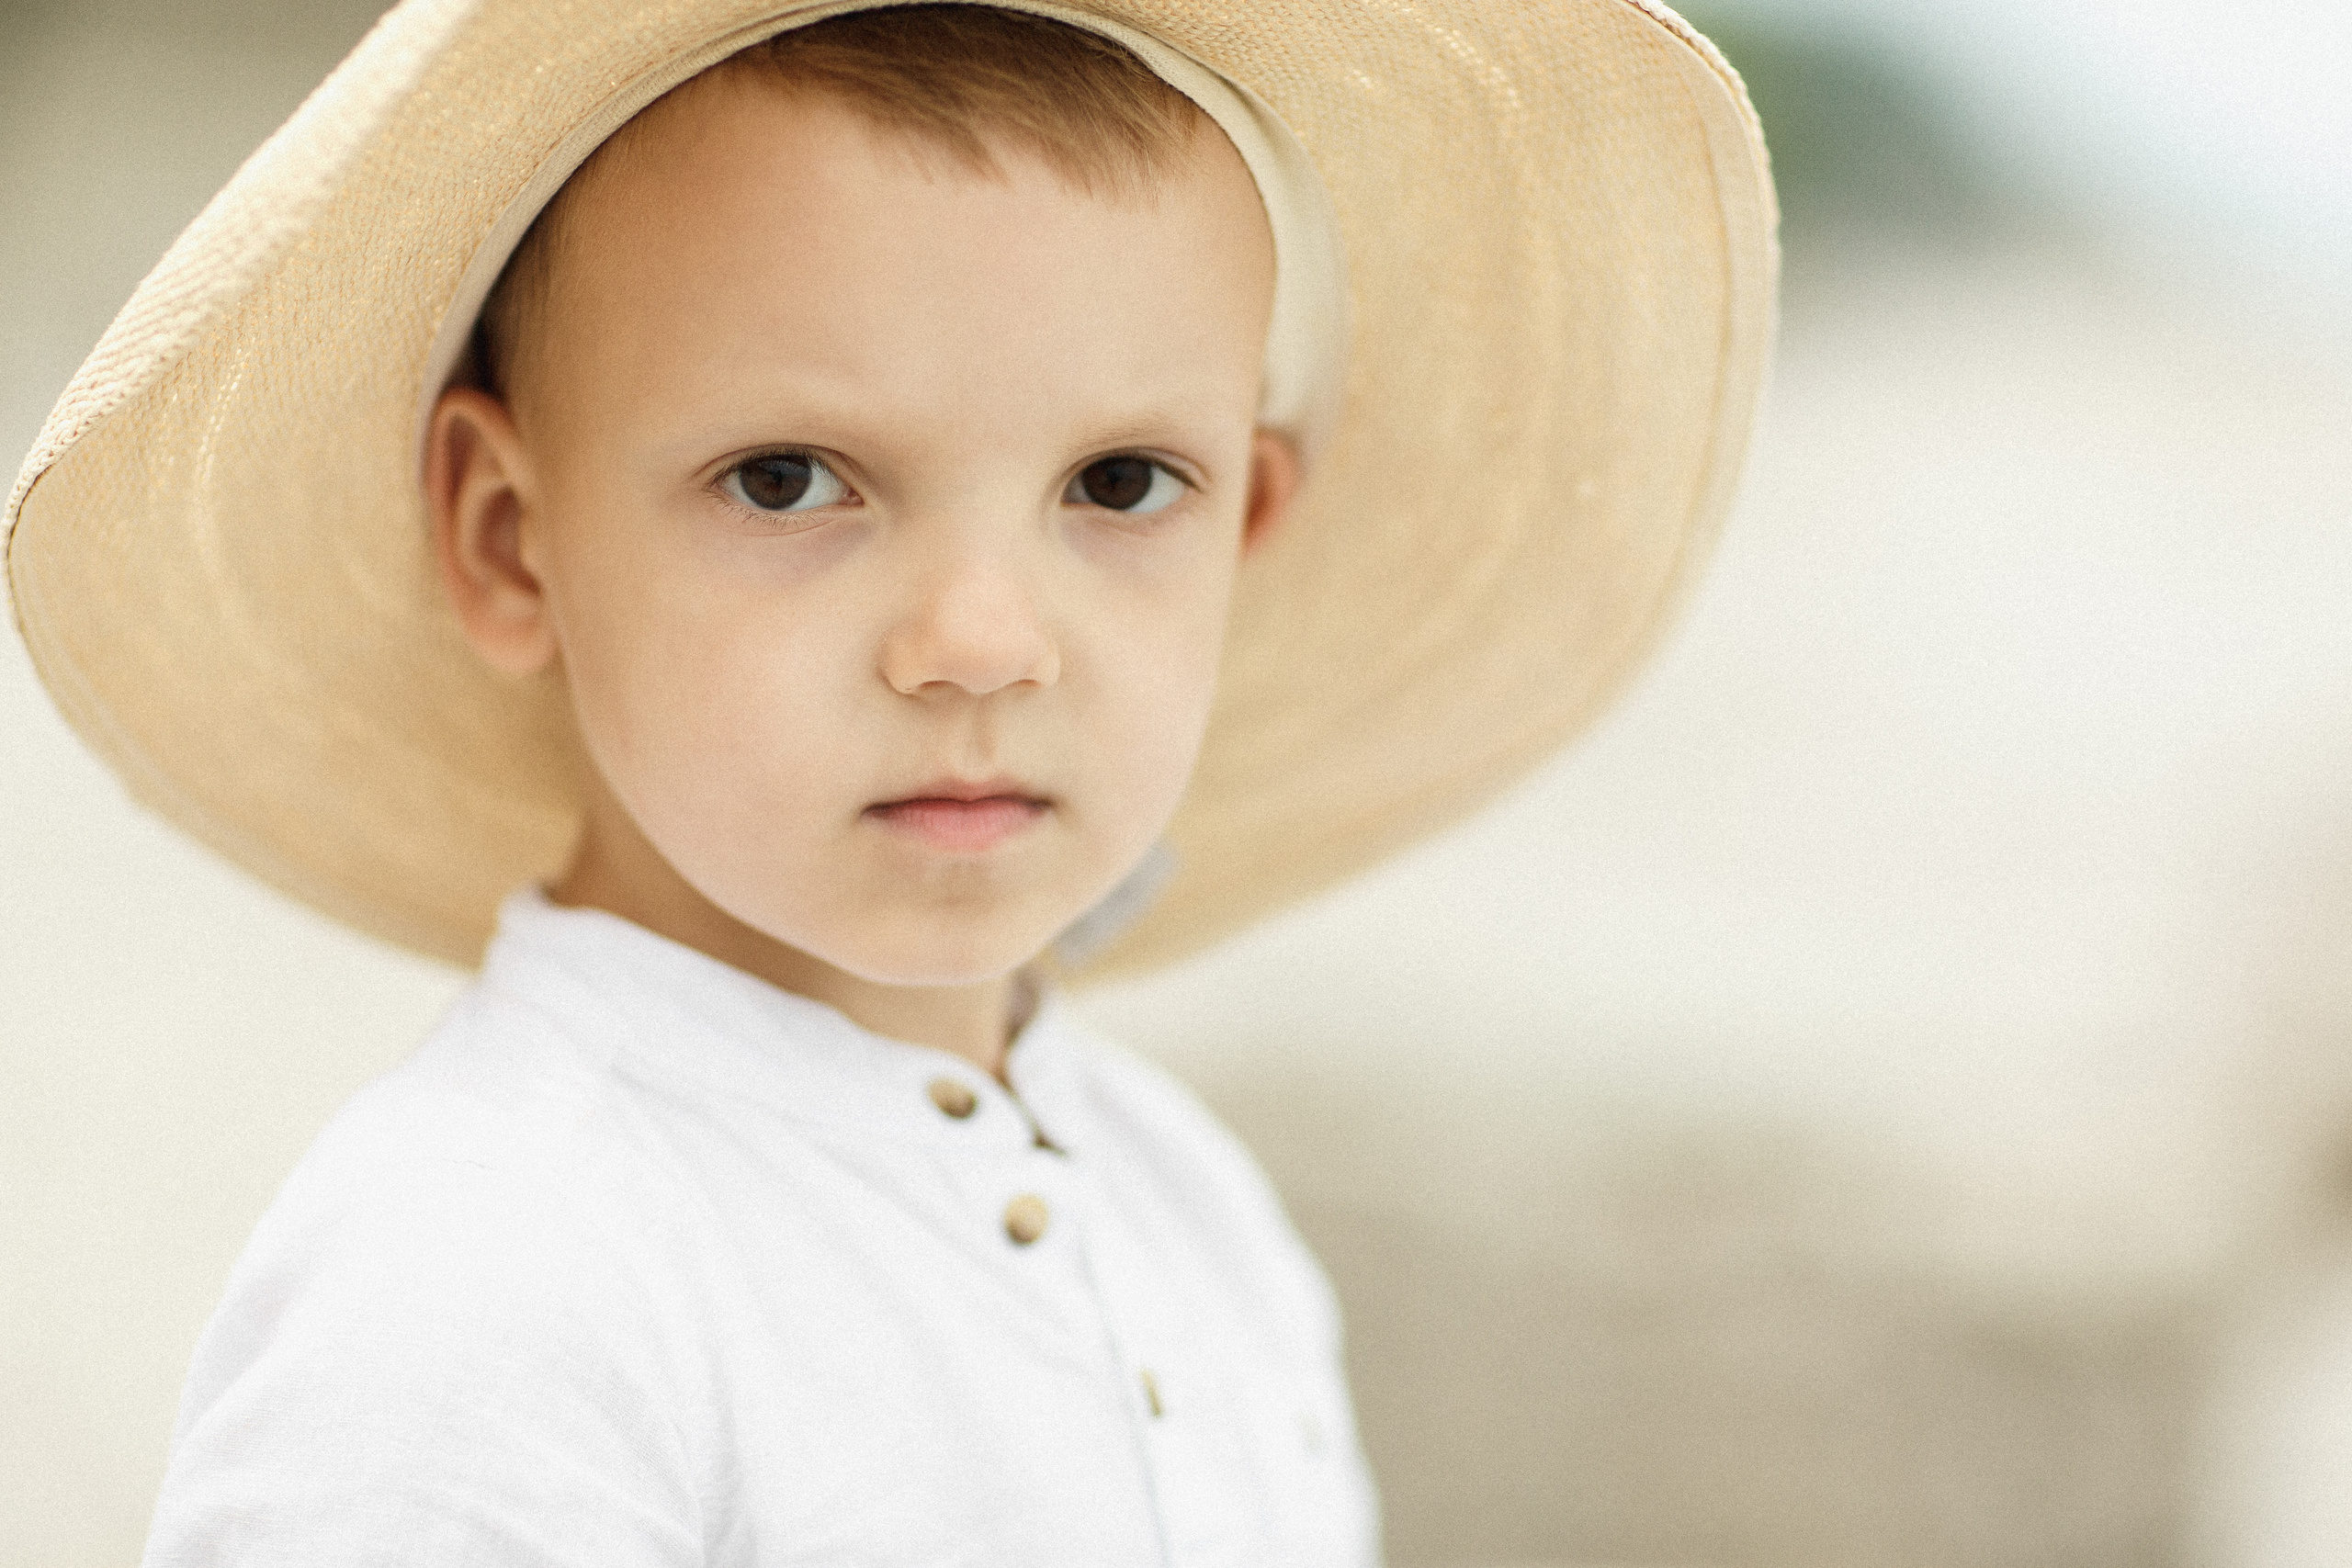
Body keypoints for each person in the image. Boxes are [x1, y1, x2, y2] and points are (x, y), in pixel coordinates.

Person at [3, 2, 1776, 1562]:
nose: (981, 643)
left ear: (1248, 525)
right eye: (788, 480)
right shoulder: (495, 1281)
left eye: (1119, 484)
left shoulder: (1198, 1215)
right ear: (509, 537)